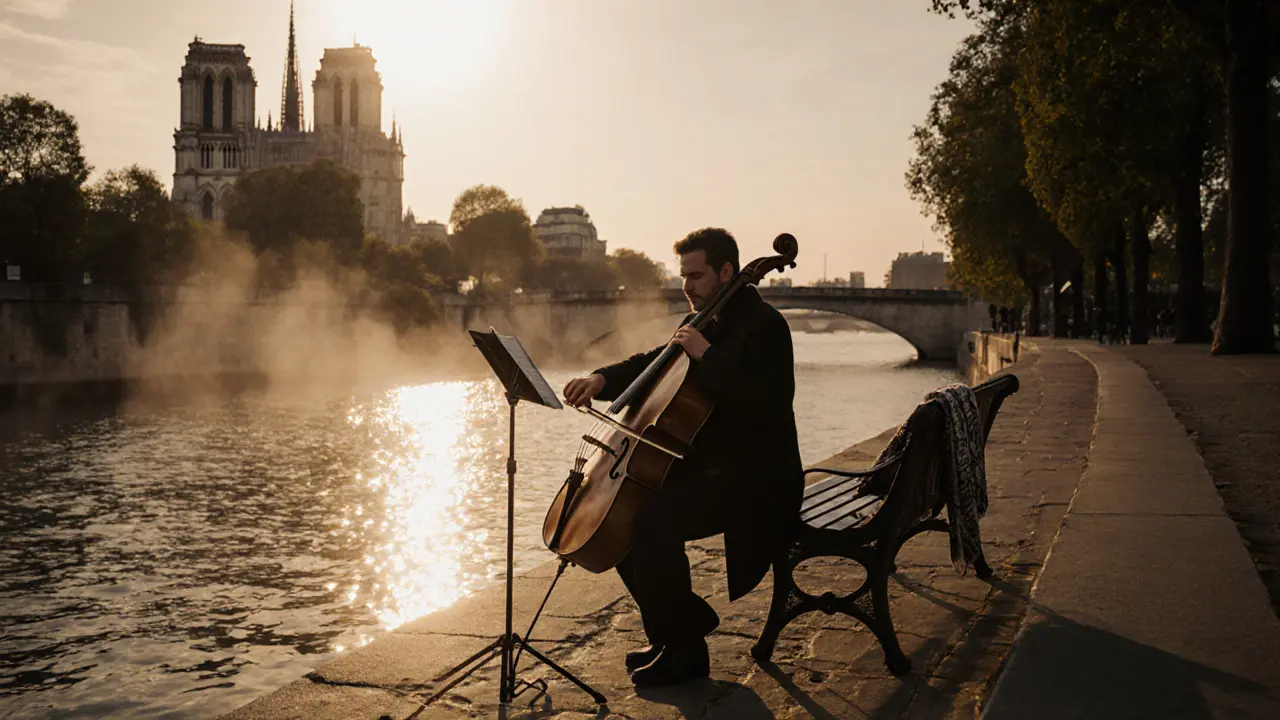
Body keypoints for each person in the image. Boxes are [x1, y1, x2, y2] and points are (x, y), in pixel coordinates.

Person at [562, 227, 803, 687]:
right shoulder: (708, 321)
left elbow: (767, 406)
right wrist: (599, 378)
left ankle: (687, 650)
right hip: (713, 469)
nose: (686, 286)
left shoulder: (766, 326)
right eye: (683, 276)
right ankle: (672, 633)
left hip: (758, 479)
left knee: (651, 522)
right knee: (622, 516)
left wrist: (706, 355)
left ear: (727, 272)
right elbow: (653, 363)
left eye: (696, 275)